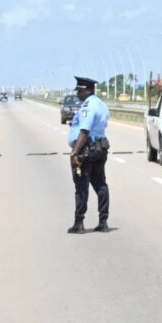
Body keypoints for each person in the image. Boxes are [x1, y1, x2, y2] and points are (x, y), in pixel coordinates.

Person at [67, 75, 111, 233]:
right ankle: (103, 222)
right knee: (101, 185)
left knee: (81, 187)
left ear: (87, 90)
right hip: (100, 149)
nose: (77, 94)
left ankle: (79, 224)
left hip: (86, 150)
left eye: (79, 91)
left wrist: (75, 153)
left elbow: (84, 131)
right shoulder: (101, 104)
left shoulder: (88, 106)